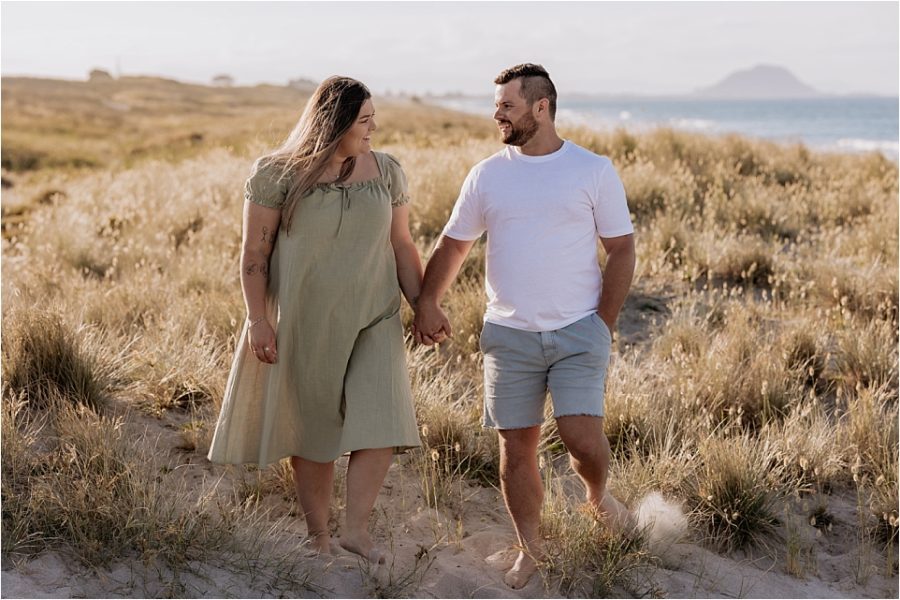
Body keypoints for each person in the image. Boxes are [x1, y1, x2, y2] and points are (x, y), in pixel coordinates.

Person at [413, 63, 636, 589]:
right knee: (517, 448)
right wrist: (428, 302)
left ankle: (598, 498)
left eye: (507, 105)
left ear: (541, 107)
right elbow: (454, 244)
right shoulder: (487, 174)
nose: (497, 114)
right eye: (497, 106)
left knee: (581, 439)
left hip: (579, 330)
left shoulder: (593, 170)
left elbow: (622, 249)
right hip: (508, 336)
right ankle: (530, 548)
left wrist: (602, 323)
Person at [208, 76, 422, 564]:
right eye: (364, 120)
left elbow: (403, 245)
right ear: (336, 123)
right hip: (307, 319)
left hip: (376, 314)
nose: (373, 128)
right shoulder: (276, 174)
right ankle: (318, 535)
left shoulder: (386, 171)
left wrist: (423, 304)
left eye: (373, 119)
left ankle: (356, 531)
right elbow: (254, 255)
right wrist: (257, 320)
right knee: (316, 429)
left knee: (383, 420)